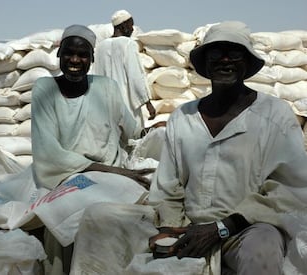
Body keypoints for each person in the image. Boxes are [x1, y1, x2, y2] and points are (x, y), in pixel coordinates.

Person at [69, 21, 307, 275]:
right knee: (99, 216)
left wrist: (222, 227)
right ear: (206, 63)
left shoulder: (275, 115)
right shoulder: (183, 117)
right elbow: (168, 188)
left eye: (234, 53)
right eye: (216, 53)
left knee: (263, 246)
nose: (225, 60)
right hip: (187, 224)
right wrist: (170, 229)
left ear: (247, 63)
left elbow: (288, 190)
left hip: (245, 227)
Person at [31, 24, 166, 274]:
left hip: (109, 174)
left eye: (83, 55)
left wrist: (153, 130)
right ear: (59, 54)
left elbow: (131, 129)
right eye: (69, 53)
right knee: (58, 221)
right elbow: (50, 153)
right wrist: (117, 173)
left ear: (92, 58)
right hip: (64, 175)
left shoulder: (106, 87)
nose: (75, 60)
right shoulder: (44, 89)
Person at [93, 9, 156, 128]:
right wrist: (147, 103)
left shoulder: (100, 47)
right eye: (131, 25)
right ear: (123, 25)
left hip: (105, 106)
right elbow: (135, 76)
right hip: (126, 106)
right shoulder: (128, 44)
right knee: (130, 141)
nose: (132, 29)